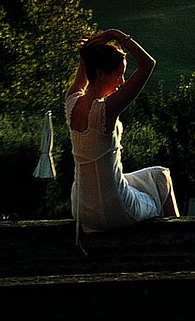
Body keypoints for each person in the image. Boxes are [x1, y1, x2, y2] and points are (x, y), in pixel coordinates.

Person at [64, 27, 179, 245]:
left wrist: (89, 52)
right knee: (160, 176)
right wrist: (116, 35)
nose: (122, 82)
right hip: (114, 209)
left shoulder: (71, 103)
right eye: (119, 74)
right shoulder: (105, 110)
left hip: (81, 208)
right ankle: (178, 243)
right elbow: (148, 65)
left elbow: (85, 69)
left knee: (142, 178)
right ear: (100, 74)